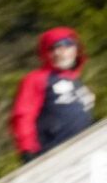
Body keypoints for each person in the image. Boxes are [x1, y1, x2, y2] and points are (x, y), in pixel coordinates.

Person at [10, 27, 95, 163]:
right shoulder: (35, 79)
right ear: (46, 53)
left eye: (67, 45)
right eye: (53, 48)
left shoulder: (76, 80)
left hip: (87, 149)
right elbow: (23, 116)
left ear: (76, 49)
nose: (60, 52)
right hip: (54, 154)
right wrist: (27, 150)